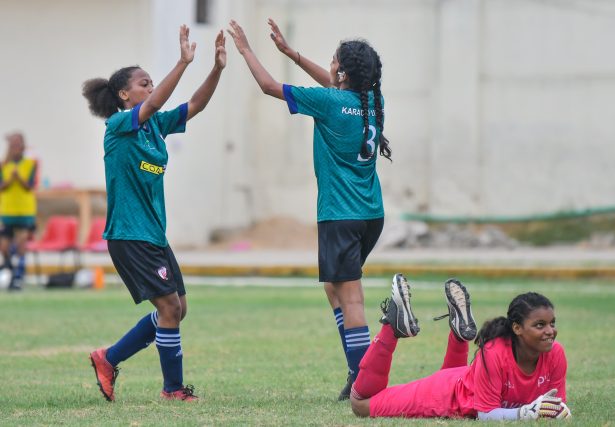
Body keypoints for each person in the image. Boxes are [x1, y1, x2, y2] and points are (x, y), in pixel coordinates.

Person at [227, 19, 394, 400]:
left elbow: (269, 87)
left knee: (349, 296)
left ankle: (363, 382)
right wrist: (292, 54)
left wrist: (246, 50)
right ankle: (358, 372)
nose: (329, 66)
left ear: (343, 72)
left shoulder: (332, 102)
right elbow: (334, 89)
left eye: (333, 62)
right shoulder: (372, 102)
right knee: (334, 288)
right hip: (370, 214)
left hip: (340, 214)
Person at [81, 25, 226, 402]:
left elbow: (194, 105)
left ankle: (108, 357)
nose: (150, 87)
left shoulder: (153, 128)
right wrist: (182, 62)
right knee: (168, 307)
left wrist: (216, 70)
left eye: (150, 83)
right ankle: (172, 390)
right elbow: (156, 103)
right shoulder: (118, 126)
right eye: (144, 83)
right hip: (129, 234)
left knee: (178, 308)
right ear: (123, 95)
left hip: (153, 234)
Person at [349, 275, 572, 421]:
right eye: (539, 325)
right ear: (517, 328)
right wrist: (525, 413)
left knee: (461, 381)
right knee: (360, 404)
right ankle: (392, 325)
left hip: (464, 379)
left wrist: (558, 411)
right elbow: (485, 414)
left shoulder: (556, 353)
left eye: (552, 323)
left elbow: (556, 406)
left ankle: (458, 335)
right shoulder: (495, 352)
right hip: (444, 394)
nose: (550, 331)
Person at [0, 132, 38, 291]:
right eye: (12, 145)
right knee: (4, 245)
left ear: (22, 146)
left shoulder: (31, 163)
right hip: (8, 209)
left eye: (18, 144)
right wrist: (10, 179)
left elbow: (30, 185)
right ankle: (9, 267)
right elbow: (2, 185)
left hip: (24, 210)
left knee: (22, 242)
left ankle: (18, 277)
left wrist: (19, 178)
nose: (15, 148)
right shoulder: (3, 165)